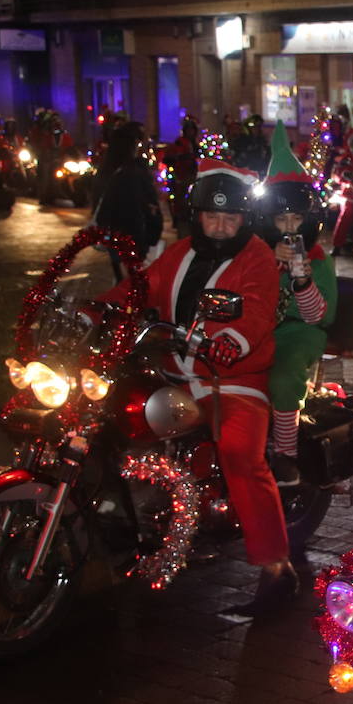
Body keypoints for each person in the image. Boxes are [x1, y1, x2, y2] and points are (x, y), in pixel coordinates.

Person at [98, 158, 294, 615]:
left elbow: (260, 310)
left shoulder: (259, 258)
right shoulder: (179, 250)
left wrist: (232, 340)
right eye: (213, 216)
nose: (222, 226)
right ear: (197, 216)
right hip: (172, 368)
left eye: (231, 217)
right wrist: (97, 309)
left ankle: (276, 567)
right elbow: (141, 288)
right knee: (109, 413)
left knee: (241, 456)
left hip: (233, 379)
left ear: (245, 220)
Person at [256, 128, 337, 490]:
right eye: (281, 220)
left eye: (296, 220)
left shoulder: (319, 260)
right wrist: (269, 265)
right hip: (257, 328)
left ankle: (285, 454)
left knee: (284, 374)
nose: (289, 228)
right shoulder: (255, 255)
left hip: (297, 332)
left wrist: (301, 277)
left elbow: (316, 316)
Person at [91, 121, 162, 280]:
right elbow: (139, 211)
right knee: (131, 287)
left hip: (120, 239)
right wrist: (149, 236)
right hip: (132, 240)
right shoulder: (129, 174)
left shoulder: (111, 170)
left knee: (124, 284)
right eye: (141, 140)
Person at [164, 116, 201, 238]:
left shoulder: (195, 144)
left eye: (193, 130)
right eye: (189, 130)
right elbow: (169, 158)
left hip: (193, 176)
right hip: (182, 177)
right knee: (181, 203)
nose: (191, 132)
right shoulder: (179, 142)